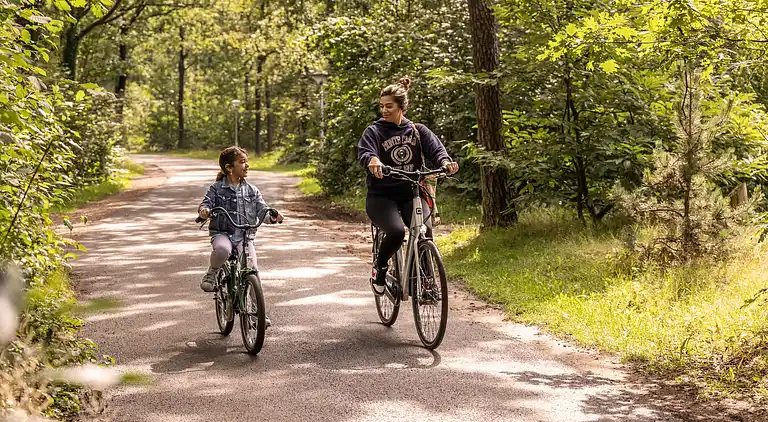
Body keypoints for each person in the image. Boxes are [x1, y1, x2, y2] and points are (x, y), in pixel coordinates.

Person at [357, 77, 459, 294]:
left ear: (401, 107)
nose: (384, 110)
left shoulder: (417, 130)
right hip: (381, 196)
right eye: (382, 106)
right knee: (395, 232)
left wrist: (446, 163)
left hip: (411, 193)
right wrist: (372, 160)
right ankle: (381, 267)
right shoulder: (374, 131)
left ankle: (425, 282)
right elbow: (366, 152)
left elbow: (438, 151)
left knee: (424, 229)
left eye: (389, 106)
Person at [198, 146, 284, 322]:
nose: (247, 165)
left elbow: (262, 211)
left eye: (247, 161)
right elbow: (205, 203)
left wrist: (273, 217)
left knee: (253, 271)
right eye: (242, 162)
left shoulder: (252, 190)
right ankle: (212, 273)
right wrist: (205, 211)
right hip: (223, 232)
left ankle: (256, 314)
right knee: (222, 250)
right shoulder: (216, 188)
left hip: (245, 236)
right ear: (230, 168)